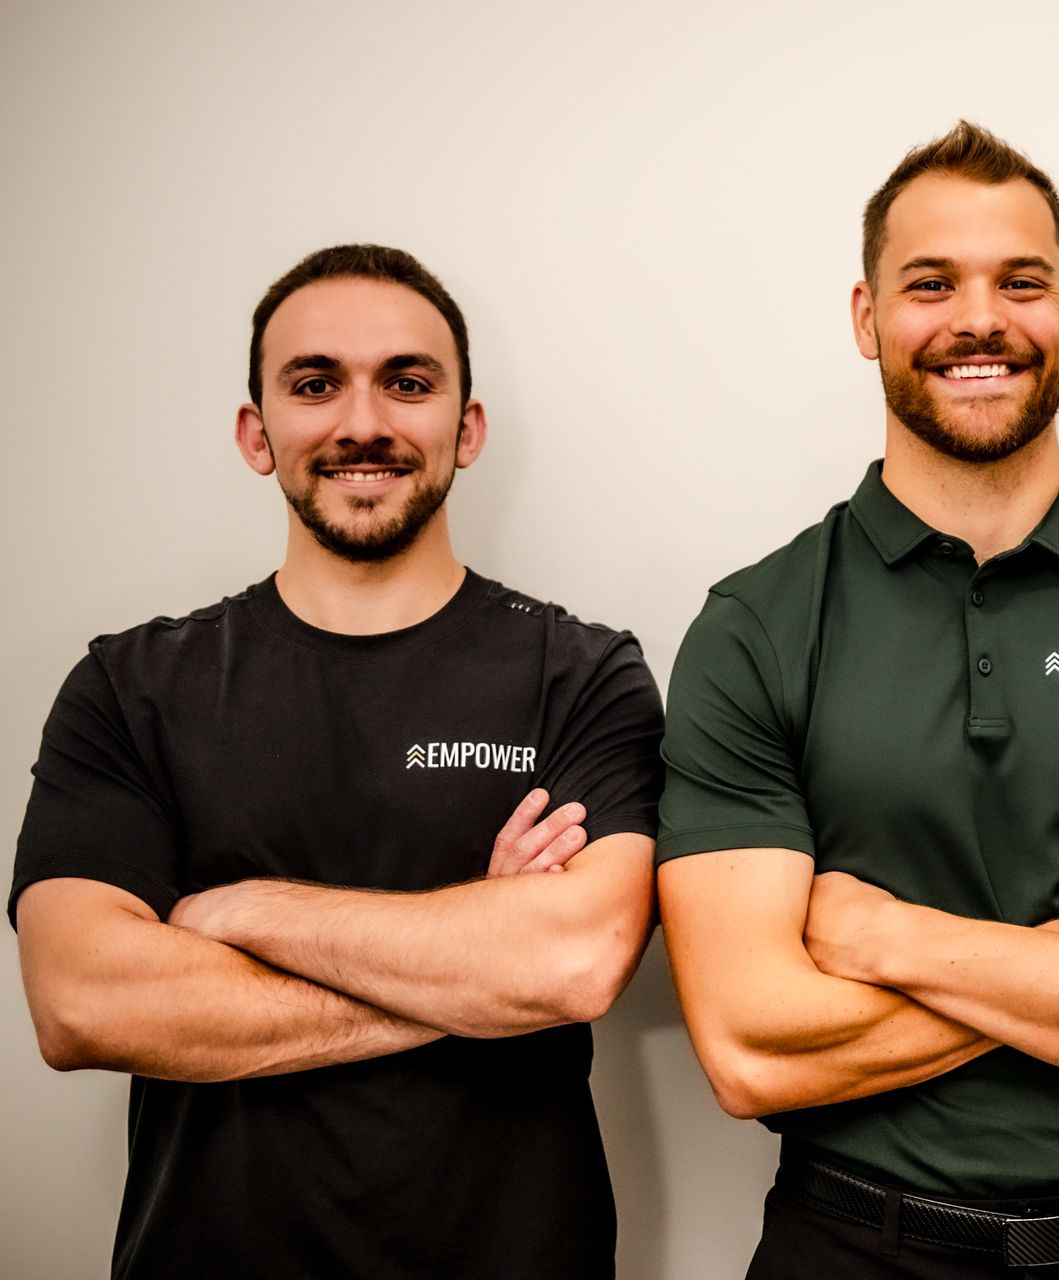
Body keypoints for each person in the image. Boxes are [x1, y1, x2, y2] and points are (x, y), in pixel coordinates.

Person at [656, 121, 1059, 1276]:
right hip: (856, 1245)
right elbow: (751, 1046)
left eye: (1021, 281)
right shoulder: (755, 628)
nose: (979, 319)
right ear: (867, 318)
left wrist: (882, 935)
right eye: (931, 283)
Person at [11, 244, 663, 1279]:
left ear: (469, 426)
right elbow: (83, 1001)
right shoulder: (131, 686)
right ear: (255, 434)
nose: (364, 422)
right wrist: (472, 964)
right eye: (316, 384)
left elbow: (572, 960)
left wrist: (240, 912)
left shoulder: (579, 674)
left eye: (409, 382)